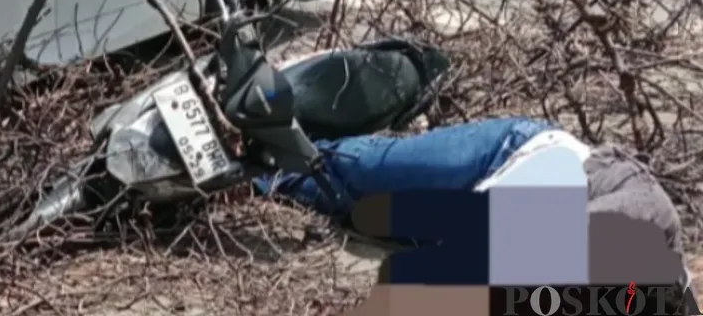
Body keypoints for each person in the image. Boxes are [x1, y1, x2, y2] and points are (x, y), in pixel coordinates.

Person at [255, 116, 689, 292]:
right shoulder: (652, 221)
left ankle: (254, 178)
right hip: (508, 151)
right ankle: (263, 131)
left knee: (350, 209)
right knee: (362, 166)